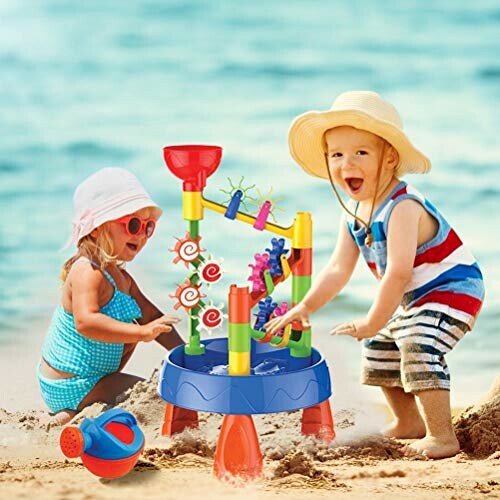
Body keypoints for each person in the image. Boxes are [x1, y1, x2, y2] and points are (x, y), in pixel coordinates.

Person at [265, 91, 484, 459]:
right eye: (337, 154)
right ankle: (408, 422)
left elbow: (397, 273)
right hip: (418, 296)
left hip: (453, 289)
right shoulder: (353, 212)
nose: (346, 163)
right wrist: (303, 307)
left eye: (360, 153)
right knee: (380, 347)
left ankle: (443, 436)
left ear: (390, 157)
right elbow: (337, 268)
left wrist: (371, 319)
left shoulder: (403, 206)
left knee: (418, 341)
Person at [38, 167, 184, 425]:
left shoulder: (122, 278)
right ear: (95, 229)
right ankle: (76, 409)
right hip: (72, 381)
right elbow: (86, 322)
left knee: (136, 324)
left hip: (91, 377)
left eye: (148, 228)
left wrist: (183, 354)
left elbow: (151, 315)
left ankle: (71, 417)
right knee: (156, 396)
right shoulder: (87, 271)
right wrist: (142, 333)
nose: (141, 235)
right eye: (133, 224)